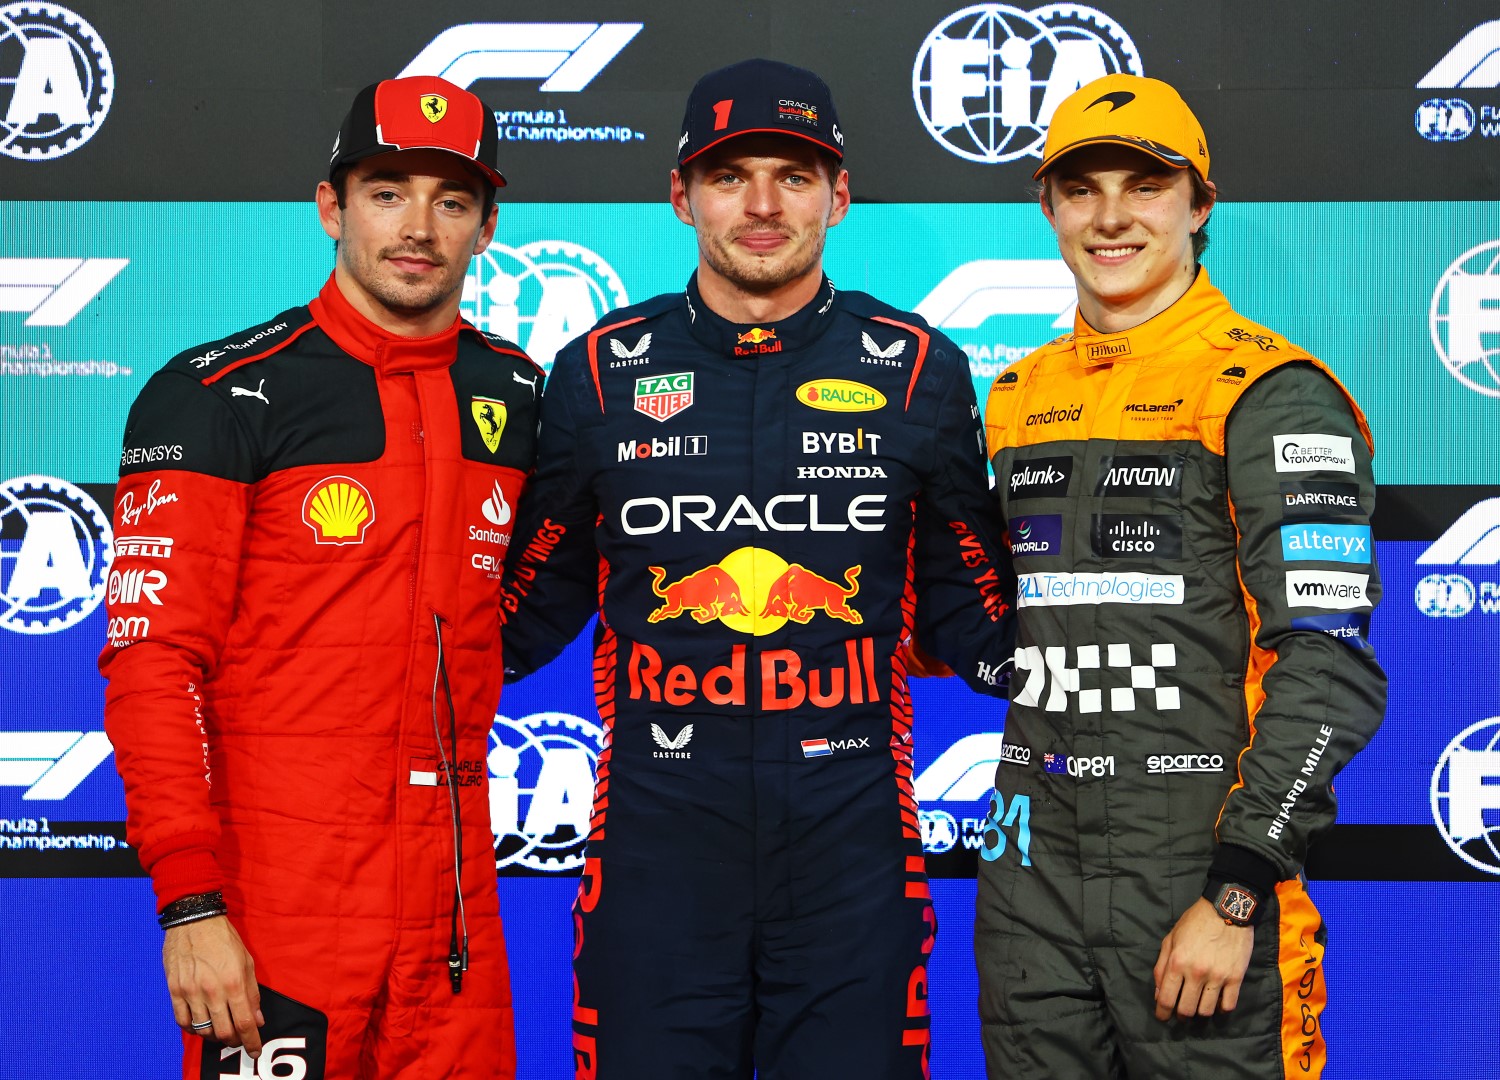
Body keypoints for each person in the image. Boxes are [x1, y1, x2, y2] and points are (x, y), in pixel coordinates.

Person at [499, 58, 1013, 1080]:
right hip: (655, 844)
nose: (765, 204)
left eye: (795, 172)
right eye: (732, 175)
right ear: (681, 195)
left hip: (854, 843)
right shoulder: (599, 369)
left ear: (840, 194)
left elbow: (974, 612)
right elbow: (519, 611)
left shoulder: (918, 366)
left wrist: (1122, 652)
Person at [99, 76, 542, 1079]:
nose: (418, 226)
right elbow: (153, 663)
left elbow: (528, 603)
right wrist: (192, 905)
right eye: (387, 191)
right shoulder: (216, 393)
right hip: (280, 902)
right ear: (330, 207)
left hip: (457, 906)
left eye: (452, 199)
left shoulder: (515, 392)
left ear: (486, 227)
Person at [974, 73, 1386, 1079]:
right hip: (1030, 885)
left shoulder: (1271, 391)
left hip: (1199, 883)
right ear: (1049, 208)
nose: (1112, 217)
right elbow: (993, 627)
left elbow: (1326, 666)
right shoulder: (1017, 396)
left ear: (1200, 205)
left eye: (1145, 185)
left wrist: (1239, 887)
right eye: (1082, 189)